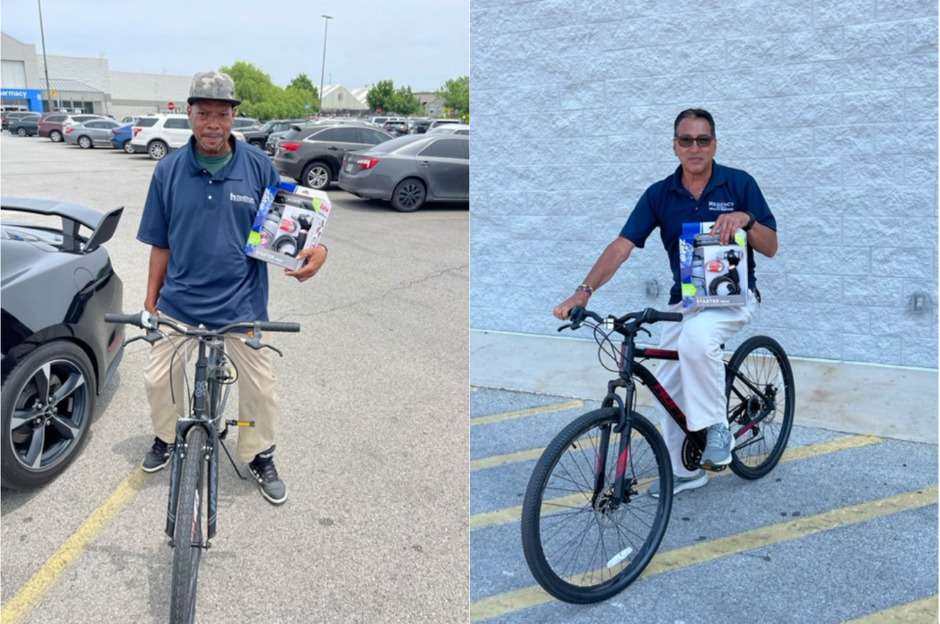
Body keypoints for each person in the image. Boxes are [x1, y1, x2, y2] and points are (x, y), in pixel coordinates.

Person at [553, 108, 777, 496]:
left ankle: (718, 429)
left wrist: (747, 220)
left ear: (714, 144)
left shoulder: (739, 184)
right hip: (686, 302)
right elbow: (621, 246)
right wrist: (583, 291)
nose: (695, 147)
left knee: (696, 341)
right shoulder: (660, 194)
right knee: (664, 376)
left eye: (703, 140)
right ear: (675, 145)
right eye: (686, 140)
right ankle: (685, 469)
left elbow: (771, 247)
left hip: (733, 299)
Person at [136, 71, 328, 505]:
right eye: (203, 113)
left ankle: (258, 453)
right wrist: (150, 304)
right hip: (180, 304)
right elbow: (160, 245)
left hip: (241, 306)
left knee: (260, 388)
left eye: (222, 114)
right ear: (189, 114)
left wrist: (319, 251)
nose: (212, 124)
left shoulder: (259, 168)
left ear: (234, 117)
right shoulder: (167, 171)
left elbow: (297, 224)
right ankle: (168, 437)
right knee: (155, 377)